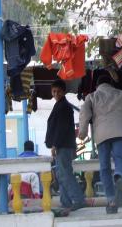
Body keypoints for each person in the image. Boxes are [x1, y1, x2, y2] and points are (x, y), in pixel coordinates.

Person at [79, 74, 122, 214]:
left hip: (102, 135)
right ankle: (119, 175)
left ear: (97, 86)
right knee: (120, 161)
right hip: (120, 132)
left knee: (105, 168)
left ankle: (111, 201)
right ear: (111, 84)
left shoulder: (92, 96)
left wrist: (82, 132)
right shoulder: (121, 94)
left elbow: (84, 113)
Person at [45, 79, 86, 211]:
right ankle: (65, 201)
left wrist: (55, 145)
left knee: (64, 174)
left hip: (63, 145)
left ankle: (78, 199)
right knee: (61, 174)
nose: (56, 93)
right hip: (63, 145)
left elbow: (61, 128)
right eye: (54, 91)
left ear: (64, 92)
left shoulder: (63, 106)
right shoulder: (61, 105)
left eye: (58, 91)